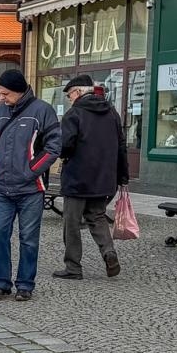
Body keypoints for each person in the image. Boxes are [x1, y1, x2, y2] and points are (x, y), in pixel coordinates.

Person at [0, 68, 61, 301]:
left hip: (31, 189)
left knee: (28, 238)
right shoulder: (0, 112)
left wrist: (31, 171)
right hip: (3, 188)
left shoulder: (42, 111)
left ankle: (25, 284)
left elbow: (54, 146)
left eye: (5, 94)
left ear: (19, 91)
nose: (1, 98)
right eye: (0, 93)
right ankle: (1, 283)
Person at [52, 76, 127, 281]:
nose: (69, 99)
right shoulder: (112, 112)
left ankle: (73, 267)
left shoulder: (74, 114)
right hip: (104, 178)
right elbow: (121, 145)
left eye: (69, 95)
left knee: (72, 222)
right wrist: (123, 175)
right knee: (97, 217)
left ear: (77, 92)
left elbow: (65, 145)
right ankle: (109, 253)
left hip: (78, 177)